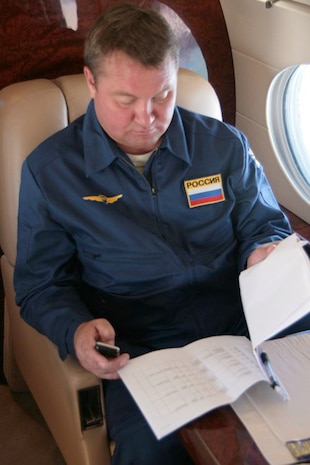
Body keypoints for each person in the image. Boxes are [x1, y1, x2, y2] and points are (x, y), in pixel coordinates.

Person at [14, 3, 294, 464]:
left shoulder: (224, 146)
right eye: (126, 101)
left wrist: (263, 252)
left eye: (162, 95)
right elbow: (42, 284)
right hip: (138, 344)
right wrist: (76, 330)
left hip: (239, 322)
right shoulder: (51, 172)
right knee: (150, 453)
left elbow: (262, 225)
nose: (146, 117)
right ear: (91, 83)